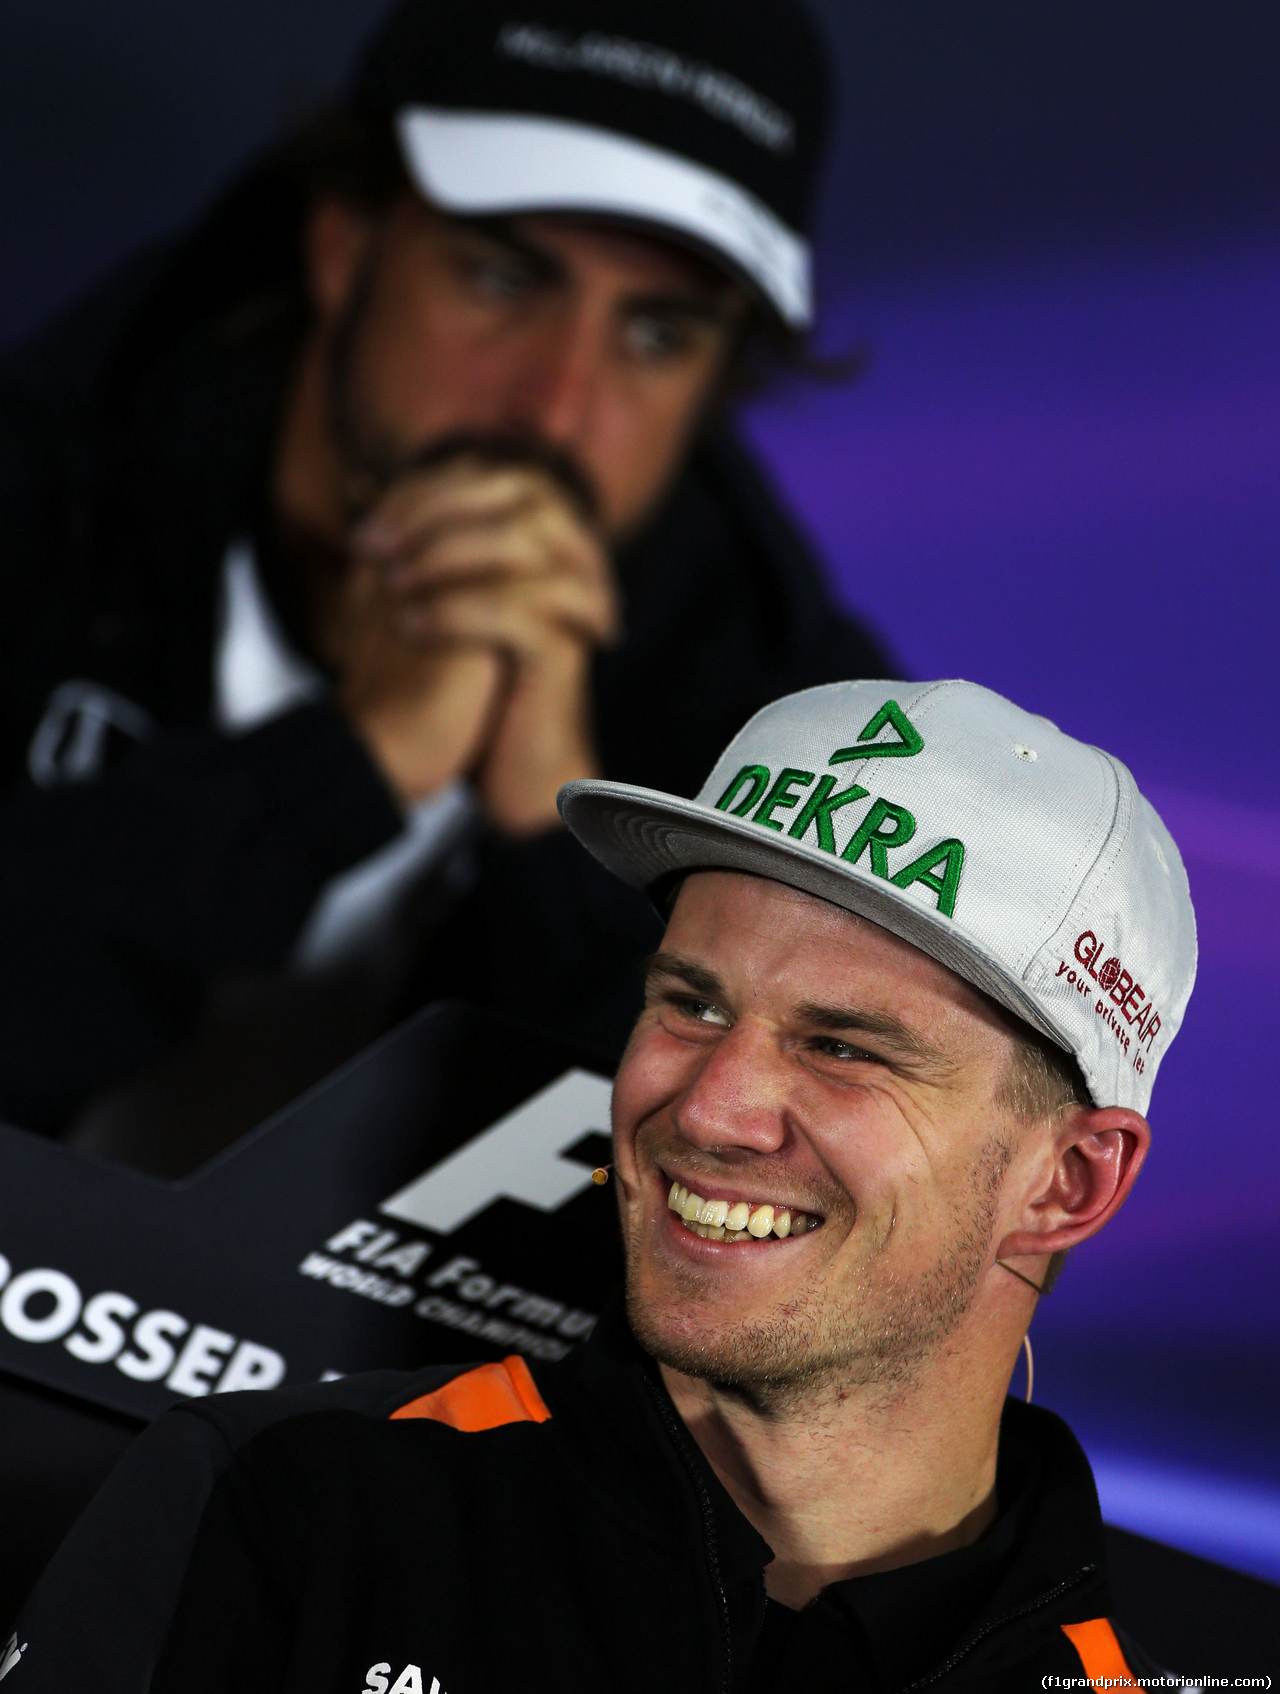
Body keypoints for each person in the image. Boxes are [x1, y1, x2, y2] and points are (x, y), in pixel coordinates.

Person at [15, 678, 1198, 1688]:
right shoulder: (284, 1509)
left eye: (843, 1048)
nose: (708, 1109)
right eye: (691, 1004)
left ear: (1067, 1183)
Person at [0, 0, 887, 1153]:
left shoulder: (791, 747)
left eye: (657, 334)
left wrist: (563, 833)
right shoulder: (40, 490)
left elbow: (778, 1261)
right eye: (503, 276)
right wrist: (336, 771)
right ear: (343, 246)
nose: (556, 409)